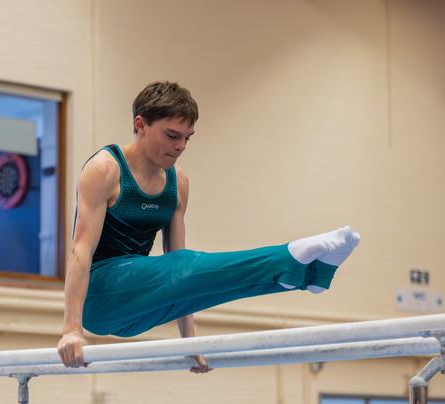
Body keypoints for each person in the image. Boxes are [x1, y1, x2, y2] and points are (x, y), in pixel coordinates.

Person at [57, 81, 360, 373]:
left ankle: (308, 276)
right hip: (98, 296)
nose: (180, 146)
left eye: (188, 137)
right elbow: (80, 251)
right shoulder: (106, 169)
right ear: (140, 124)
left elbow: (184, 276)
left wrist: (190, 342)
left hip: (140, 307)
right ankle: (290, 257)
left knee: (210, 285)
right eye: (172, 135)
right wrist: (71, 329)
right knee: (185, 266)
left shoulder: (178, 183)